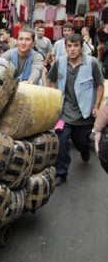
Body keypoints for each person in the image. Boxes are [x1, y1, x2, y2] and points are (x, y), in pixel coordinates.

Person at [48, 34, 104, 186]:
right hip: (64, 111)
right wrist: (55, 99)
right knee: (61, 138)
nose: (72, 49)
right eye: (69, 46)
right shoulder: (60, 62)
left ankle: (84, 150)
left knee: (82, 142)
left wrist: (97, 106)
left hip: (84, 112)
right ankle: (61, 173)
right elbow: (51, 80)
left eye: (76, 46)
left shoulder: (91, 63)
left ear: (81, 47)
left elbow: (100, 84)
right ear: (65, 47)